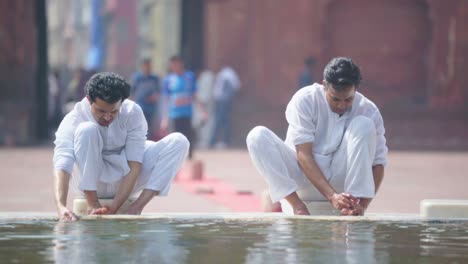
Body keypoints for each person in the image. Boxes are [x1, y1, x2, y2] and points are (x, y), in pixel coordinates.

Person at [247, 57, 387, 216]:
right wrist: (331, 196)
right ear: (324, 86)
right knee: (256, 136)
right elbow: (303, 154)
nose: (341, 105)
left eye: (348, 100)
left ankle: (352, 208)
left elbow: (378, 164)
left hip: (343, 185)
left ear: (356, 90)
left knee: (364, 124)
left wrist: (363, 205)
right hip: (302, 179)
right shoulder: (305, 100)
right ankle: (297, 206)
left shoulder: (368, 110)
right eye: (335, 99)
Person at [53, 72, 189, 221]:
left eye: (113, 111)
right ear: (89, 100)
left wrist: (117, 207)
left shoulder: (132, 112)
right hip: (88, 182)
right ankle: (92, 201)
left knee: (179, 141)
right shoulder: (74, 118)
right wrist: (61, 206)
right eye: (101, 111)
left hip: (126, 179)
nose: (107, 117)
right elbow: (62, 164)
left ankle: (136, 208)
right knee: (87, 130)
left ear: (122, 102)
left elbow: (135, 165)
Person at [161, 55, 207, 159]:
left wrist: (202, 111)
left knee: (188, 136)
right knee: (175, 138)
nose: (175, 67)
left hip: (187, 113)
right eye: (173, 65)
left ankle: (189, 157)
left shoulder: (189, 77)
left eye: (176, 64)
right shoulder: (168, 80)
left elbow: (195, 95)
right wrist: (165, 118)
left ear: (181, 64)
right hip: (174, 114)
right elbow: (166, 100)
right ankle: (176, 158)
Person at [209, 66, 241, 148]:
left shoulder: (226, 74)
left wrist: (226, 98)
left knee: (219, 121)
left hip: (223, 100)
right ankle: (225, 141)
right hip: (223, 100)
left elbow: (233, 87)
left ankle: (213, 141)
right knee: (225, 121)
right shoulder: (227, 74)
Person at [131, 58, 161, 138]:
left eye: (149, 66)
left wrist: (154, 97)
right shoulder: (137, 78)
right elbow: (132, 92)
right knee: (140, 128)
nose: (148, 68)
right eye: (146, 66)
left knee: (150, 129)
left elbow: (159, 92)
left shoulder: (155, 78)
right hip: (140, 107)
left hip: (151, 108)